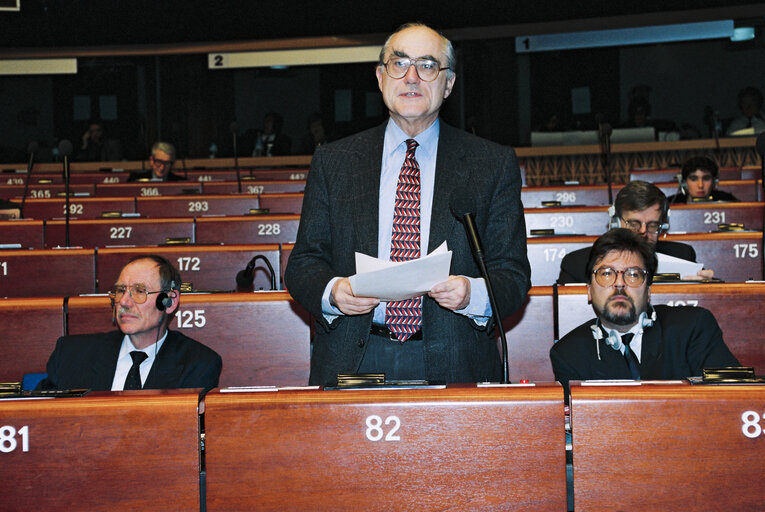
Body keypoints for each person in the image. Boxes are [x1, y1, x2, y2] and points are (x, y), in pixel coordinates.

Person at [285, 23, 531, 387]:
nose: (412, 77)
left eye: (428, 65)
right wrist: (333, 292)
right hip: (357, 360)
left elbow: (512, 275)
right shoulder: (334, 161)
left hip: (456, 360)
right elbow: (303, 264)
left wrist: (471, 293)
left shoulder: (491, 164)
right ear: (381, 77)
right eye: (399, 64)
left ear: (448, 84)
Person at [550, 228, 739, 390]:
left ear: (648, 291)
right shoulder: (569, 354)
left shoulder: (692, 328)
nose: (619, 284)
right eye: (606, 274)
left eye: (633, 274)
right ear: (589, 291)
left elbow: (730, 399)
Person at [38, 255, 222, 391]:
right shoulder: (72, 355)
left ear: (169, 302)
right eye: (120, 290)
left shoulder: (198, 364)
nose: (124, 302)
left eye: (139, 291)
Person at [557, 181, 714, 283]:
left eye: (653, 225)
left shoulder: (683, 256)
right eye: (634, 224)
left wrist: (705, 289)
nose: (643, 232)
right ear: (616, 222)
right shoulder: (577, 265)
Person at [667, 156, 739, 203]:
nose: (700, 185)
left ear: (714, 182)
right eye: (694, 179)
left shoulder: (727, 200)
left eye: (706, 179)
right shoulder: (671, 203)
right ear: (684, 183)